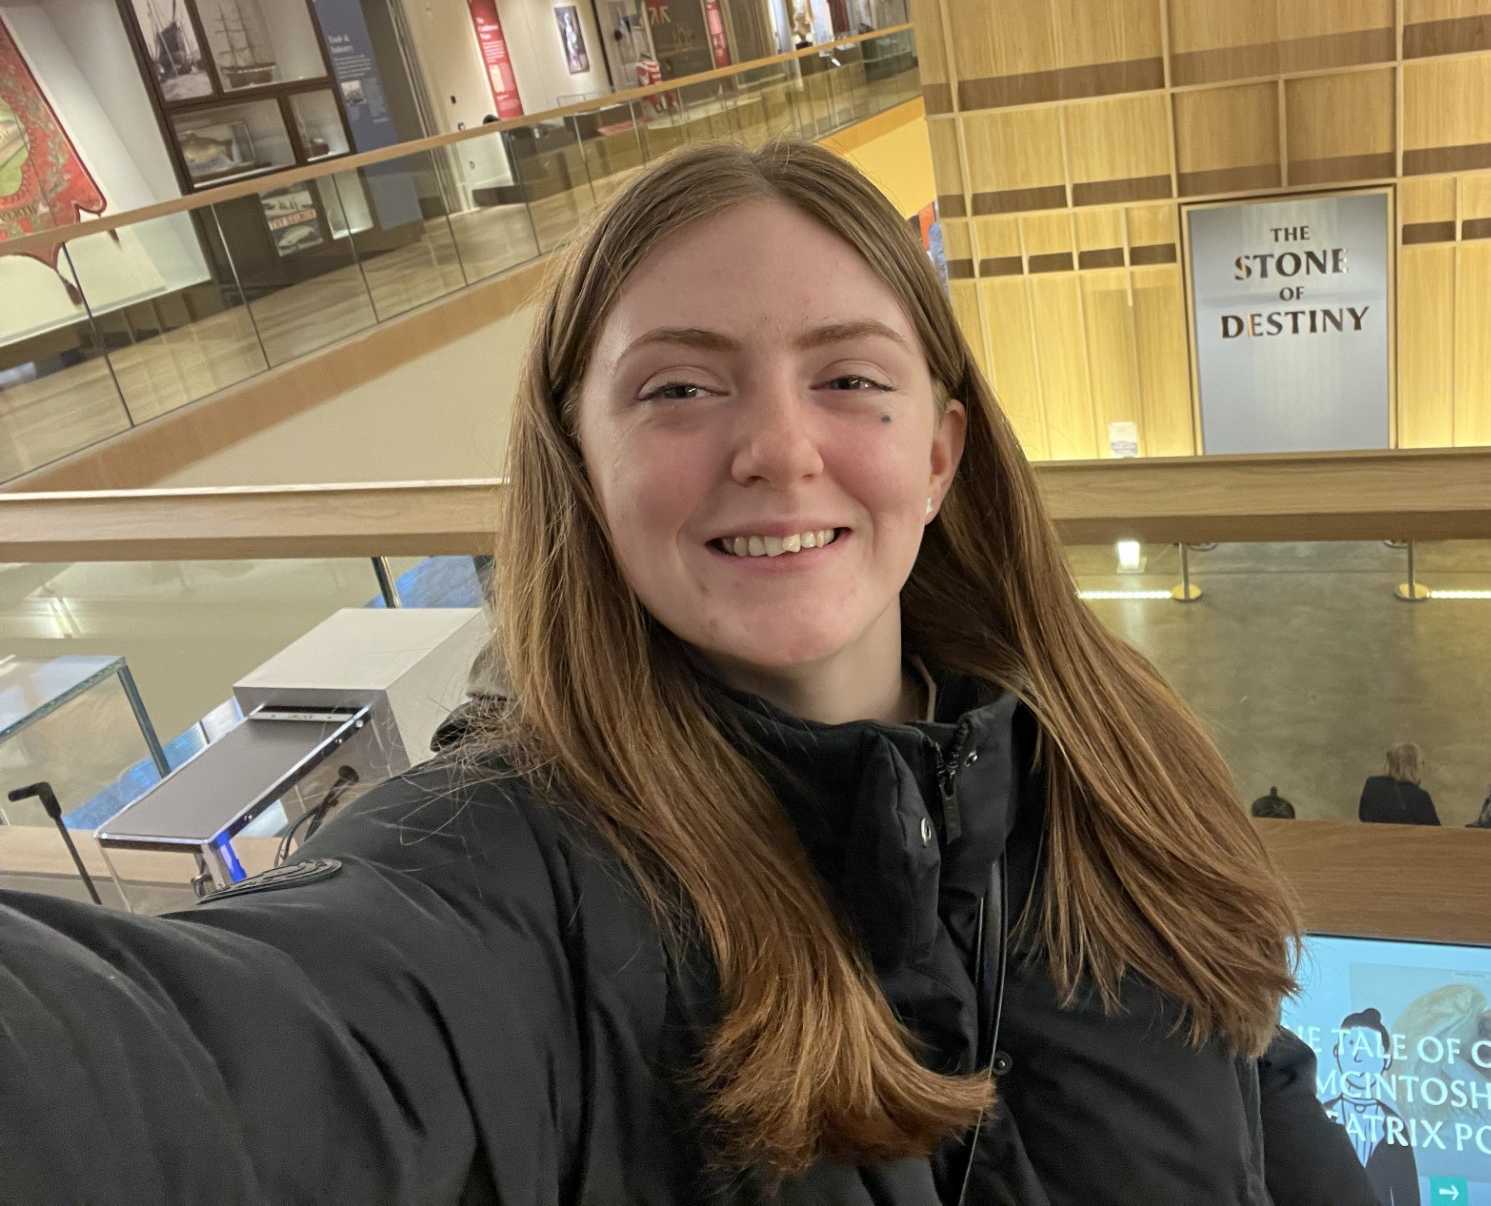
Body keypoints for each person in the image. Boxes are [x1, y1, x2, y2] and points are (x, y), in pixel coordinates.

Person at [0, 141, 1375, 1206]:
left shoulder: (1102, 750)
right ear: (582, 467)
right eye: (678, 388)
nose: (779, 448)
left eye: (849, 379)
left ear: (941, 452)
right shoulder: (498, 875)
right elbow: (199, 1071)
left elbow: (1256, 1085)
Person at [1320, 1009, 1420, 1206]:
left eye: (1368, 1048)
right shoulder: (1319, 1114)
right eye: (1350, 1044)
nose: (1357, 1057)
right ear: (1336, 1051)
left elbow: (1407, 1196)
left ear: (1386, 1060)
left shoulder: (1394, 1125)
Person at [1357, 743, 1441, 826]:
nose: (1423, 767)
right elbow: (1437, 833)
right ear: (1411, 767)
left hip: (1372, 838)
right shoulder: (1419, 797)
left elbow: (1363, 816)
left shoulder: (1372, 785)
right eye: (1422, 763)